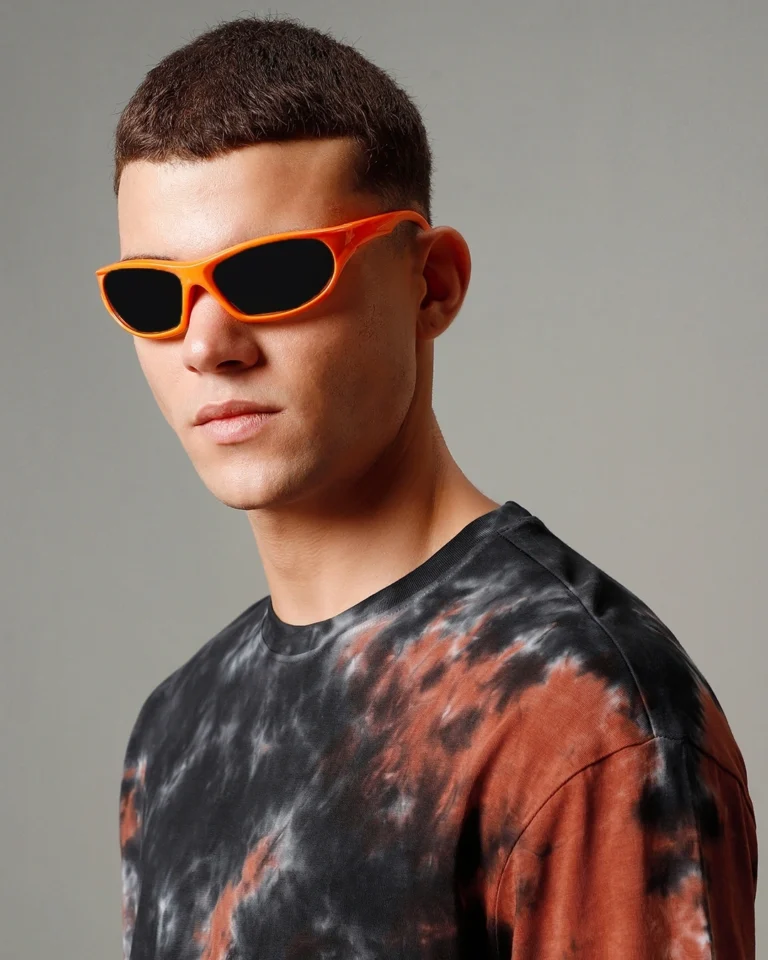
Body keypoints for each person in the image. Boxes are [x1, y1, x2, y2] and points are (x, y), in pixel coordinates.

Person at [100, 15, 757, 960]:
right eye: (153, 296)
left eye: (275, 274)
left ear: (433, 283)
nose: (208, 345)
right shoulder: (175, 732)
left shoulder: (581, 717)